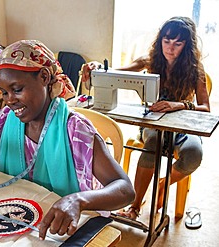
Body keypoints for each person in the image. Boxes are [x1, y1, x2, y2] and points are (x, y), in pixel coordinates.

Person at [0, 40, 135, 240]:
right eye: (4, 92)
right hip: (13, 224)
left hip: (58, 232)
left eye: (17, 89)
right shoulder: (4, 120)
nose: (9, 100)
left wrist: (79, 200)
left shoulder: (76, 131)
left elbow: (125, 189)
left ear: (44, 77)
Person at [83, 16, 210, 220]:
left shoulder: (195, 69)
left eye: (178, 43)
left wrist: (178, 104)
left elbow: (205, 108)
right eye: (166, 41)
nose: (170, 48)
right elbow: (112, 73)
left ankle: (163, 183)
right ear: (160, 40)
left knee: (194, 154)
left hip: (182, 126)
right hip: (153, 123)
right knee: (153, 143)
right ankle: (134, 207)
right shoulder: (149, 62)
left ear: (187, 45)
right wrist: (96, 68)